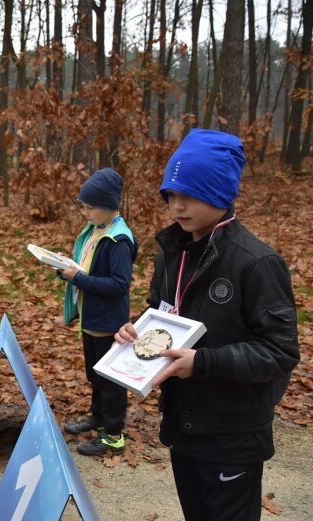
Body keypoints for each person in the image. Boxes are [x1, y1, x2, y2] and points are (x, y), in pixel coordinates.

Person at [114, 129, 299, 521]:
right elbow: (159, 310)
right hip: (184, 424)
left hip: (233, 433)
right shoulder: (171, 254)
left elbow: (280, 352)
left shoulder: (256, 263)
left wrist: (203, 363)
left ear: (220, 193)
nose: (177, 206)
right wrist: (135, 330)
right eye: (170, 195)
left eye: (190, 195)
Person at [58, 168, 137, 456]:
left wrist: (77, 278)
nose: (85, 212)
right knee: (95, 374)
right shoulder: (95, 231)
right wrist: (67, 271)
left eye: (90, 207)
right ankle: (98, 416)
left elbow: (119, 285)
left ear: (108, 206)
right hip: (91, 318)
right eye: (85, 206)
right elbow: (86, 266)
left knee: (111, 379)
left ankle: (113, 433)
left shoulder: (119, 240)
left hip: (109, 323)